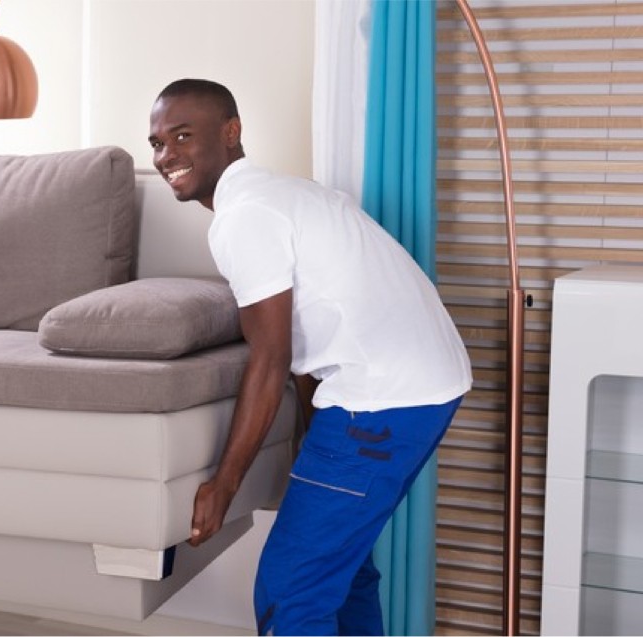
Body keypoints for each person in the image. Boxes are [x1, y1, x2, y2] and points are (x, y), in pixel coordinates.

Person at [147, 78, 471, 636]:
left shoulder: (245, 215)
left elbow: (269, 359)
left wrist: (223, 484)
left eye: (182, 135)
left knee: (291, 589)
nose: (166, 154)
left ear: (231, 132)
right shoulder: (285, 193)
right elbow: (299, 344)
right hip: (422, 387)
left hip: (383, 402)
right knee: (343, 575)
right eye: (156, 142)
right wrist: (310, 430)